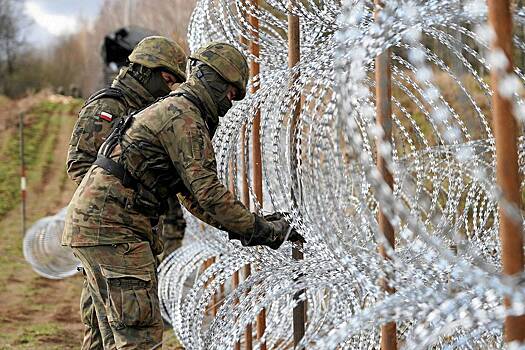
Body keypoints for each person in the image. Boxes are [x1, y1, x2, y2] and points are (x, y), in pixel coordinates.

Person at [62, 41, 303, 349]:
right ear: (214, 81)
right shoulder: (185, 118)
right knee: (139, 338)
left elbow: (194, 197)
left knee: (110, 339)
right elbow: (208, 192)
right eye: (230, 93)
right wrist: (263, 231)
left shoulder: (177, 109)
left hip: (99, 229)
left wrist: (249, 225)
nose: (230, 104)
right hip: (116, 232)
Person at [65, 36, 188, 349]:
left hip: (129, 234)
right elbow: (80, 165)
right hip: (110, 236)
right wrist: (117, 208)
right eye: (168, 80)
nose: (170, 88)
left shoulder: (144, 110)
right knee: (105, 325)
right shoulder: (110, 106)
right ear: (146, 71)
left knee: (110, 327)